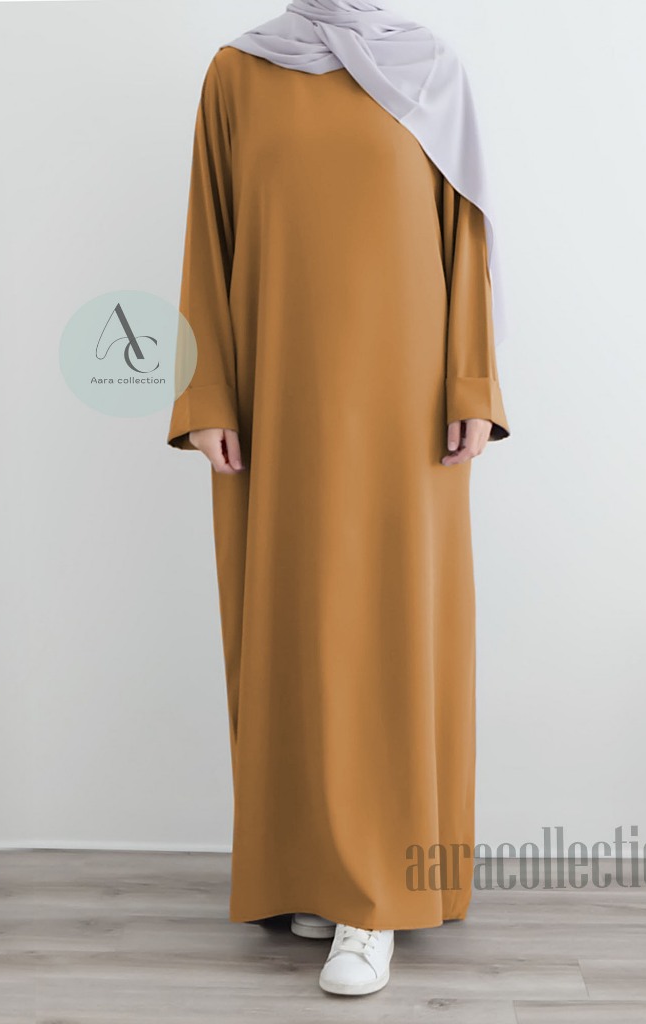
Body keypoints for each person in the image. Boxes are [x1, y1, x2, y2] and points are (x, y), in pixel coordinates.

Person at [166, 0, 510, 997]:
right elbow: (208, 238)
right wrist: (207, 394)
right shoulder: (238, 74)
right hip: (279, 401)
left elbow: (465, 236)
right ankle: (315, 868)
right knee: (293, 632)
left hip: (406, 416)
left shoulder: (431, 70)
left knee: (391, 633)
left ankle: (376, 900)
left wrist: (472, 386)